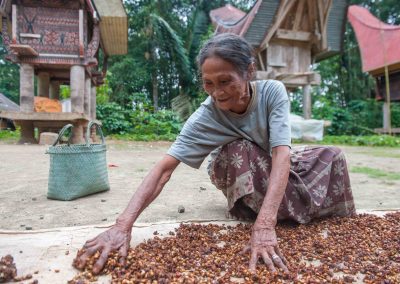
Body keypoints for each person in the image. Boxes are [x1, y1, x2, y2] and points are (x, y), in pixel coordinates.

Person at [75, 33, 356, 274]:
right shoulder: (204, 117)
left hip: (274, 162)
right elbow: (163, 170)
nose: (217, 92)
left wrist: (265, 227)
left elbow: (282, 155)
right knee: (238, 149)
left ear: (249, 71)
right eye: (208, 83)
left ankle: (274, 214)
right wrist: (122, 226)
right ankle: (266, 211)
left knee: (333, 155)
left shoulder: (272, 92)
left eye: (225, 81)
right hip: (240, 168)